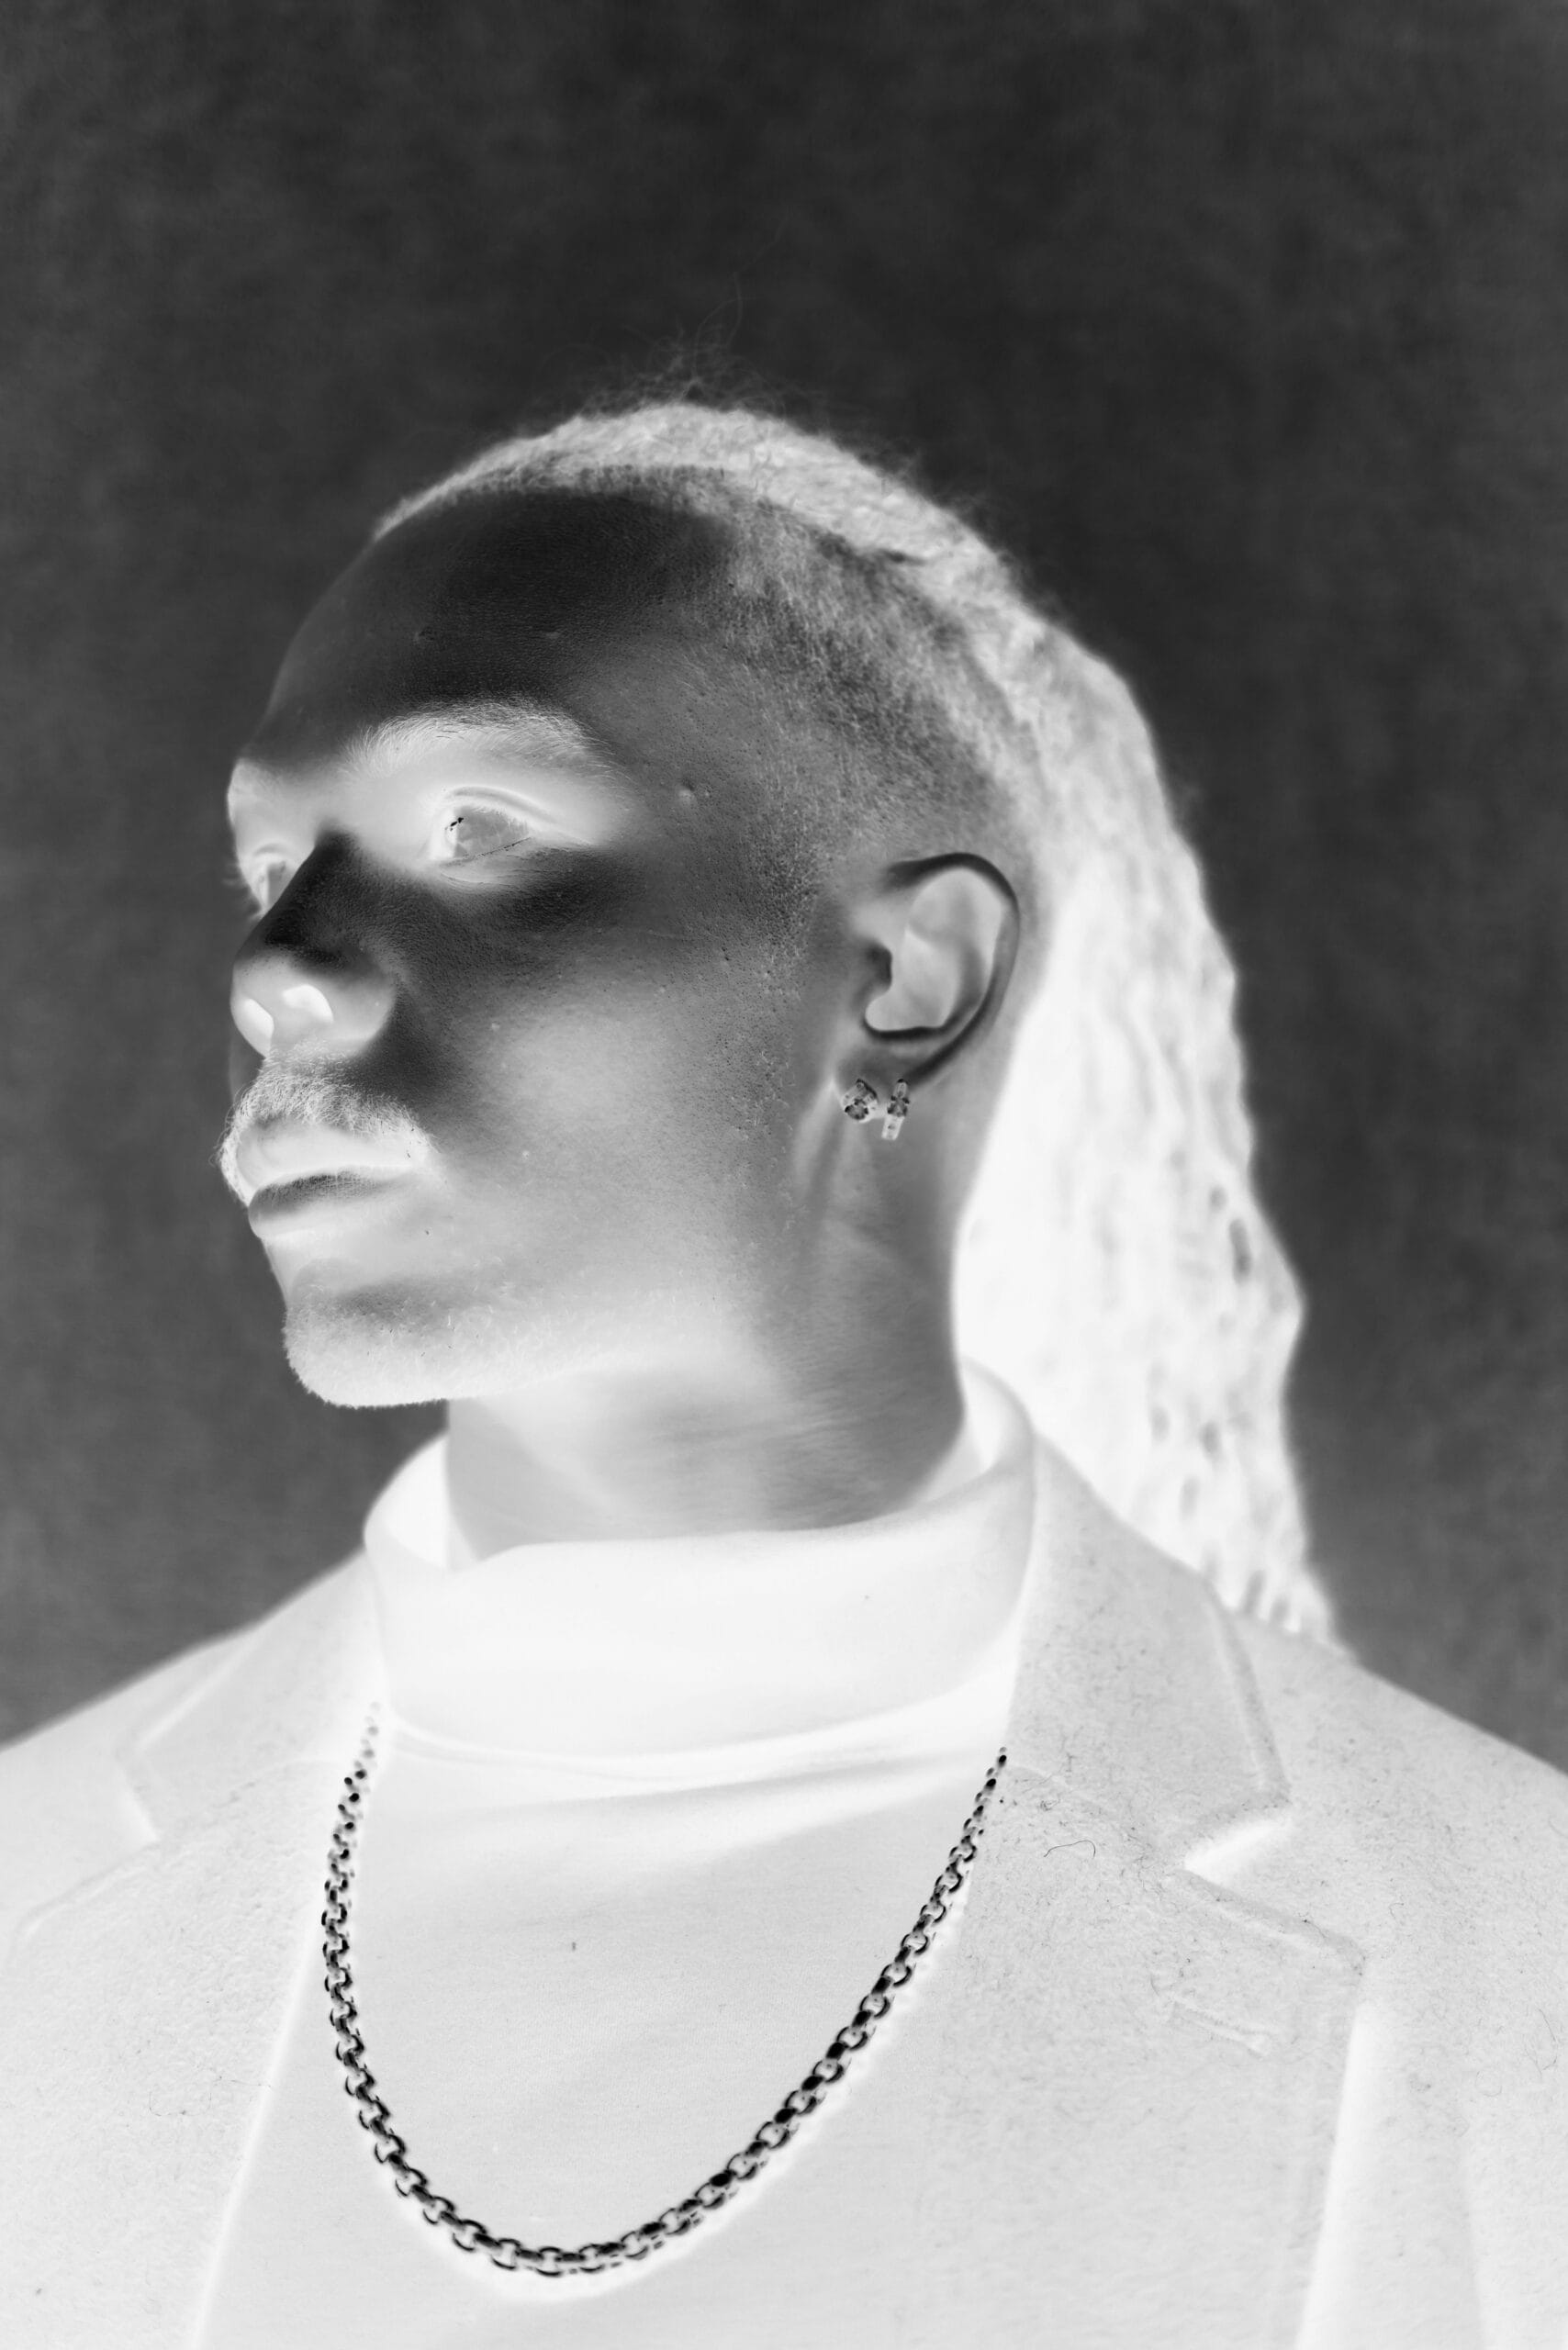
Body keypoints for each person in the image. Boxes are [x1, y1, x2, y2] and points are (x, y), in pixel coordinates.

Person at [2, 398, 1563, 2350]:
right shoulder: (29, 1884)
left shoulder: (1508, 1966)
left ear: (906, 981)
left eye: (477, 829)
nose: (276, 966)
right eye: (268, 868)